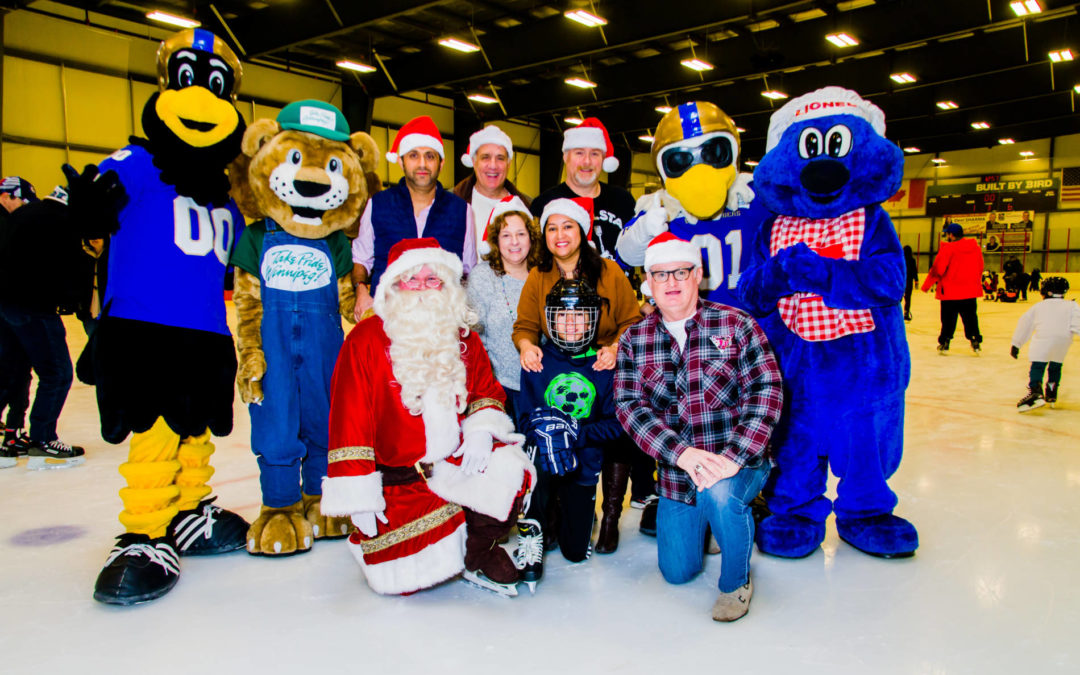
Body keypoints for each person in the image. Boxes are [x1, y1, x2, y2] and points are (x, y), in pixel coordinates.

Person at [322, 238, 535, 597]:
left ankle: (477, 552)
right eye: (412, 280)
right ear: (393, 286)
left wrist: (481, 430)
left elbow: (485, 390)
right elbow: (348, 421)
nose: (422, 288)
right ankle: (374, 542)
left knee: (513, 468)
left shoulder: (463, 337)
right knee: (402, 582)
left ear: (447, 286)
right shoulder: (364, 341)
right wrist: (359, 498)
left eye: (432, 279)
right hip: (399, 479)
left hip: (454, 462)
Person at [615, 233, 782, 622]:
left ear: (698, 275)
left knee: (722, 496)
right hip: (678, 473)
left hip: (737, 462)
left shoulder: (736, 324)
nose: (671, 282)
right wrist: (681, 455)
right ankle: (708, 527)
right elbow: (628, 406)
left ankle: (736, 582)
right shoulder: (634, 340)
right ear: (648, 282)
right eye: (660, 274)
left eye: (681, 272)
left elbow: (767, 388)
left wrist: (734, 457)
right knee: (677, 573)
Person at [513, 196, 643, 553]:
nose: (560, 234)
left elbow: (633, 321)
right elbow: (524, 326)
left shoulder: (608, 271)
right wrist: (527, 345)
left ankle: (611, 516)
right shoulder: (538, 275)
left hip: (604, 363)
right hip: (560, 362)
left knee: (612, 429)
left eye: (567, 226)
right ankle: (557, 509)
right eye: (552, 228)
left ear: (582, 231)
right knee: (550, 431)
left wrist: (615, 348)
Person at [515, 278, 624, 592]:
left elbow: (616, 425)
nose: (572, 323)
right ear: (550, 318)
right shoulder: (537, 360)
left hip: (583, 462)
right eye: (563, 315)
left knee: (575, 553)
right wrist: (548, 432)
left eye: (580, 315)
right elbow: (523, 422)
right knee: (535, 453)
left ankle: (564, 509)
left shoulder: (604, 364)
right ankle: (533, 526)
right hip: (545, 463)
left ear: (592, 319)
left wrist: (573, 432)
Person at [0, 181, 92, 469]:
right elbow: (70, 268)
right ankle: (43, 437)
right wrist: (74, 303)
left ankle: (13, 435)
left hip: (7, 306)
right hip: (35, 307)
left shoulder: (23, 215)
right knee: (57, 372)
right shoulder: (63, 222)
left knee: (13, 371)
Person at [351, 115, 476, 318]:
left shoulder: (462, 210)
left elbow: (469, 271)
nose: (422, 164)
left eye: (430, 156)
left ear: (441, 163)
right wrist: (361, 291)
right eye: (413, 155)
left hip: (441, 321)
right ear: (401, 162)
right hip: (387, 316)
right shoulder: (378, 204)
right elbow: (361, 258)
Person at [465, 195, 540, 422]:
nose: (514, 242)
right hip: (498, 388)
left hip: (539, 384)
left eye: (520, 234)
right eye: (506, 235)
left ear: (531, 237)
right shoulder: (483, 276)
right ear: (496, 240)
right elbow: (473, 336)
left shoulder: (543, 275)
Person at [530, 117, 635, 265]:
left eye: (594, 154)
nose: (587, 161)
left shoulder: (623, 200)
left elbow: (644, 257)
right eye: (579, 153)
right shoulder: (544, 204)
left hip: (618, 287)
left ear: (603, 159)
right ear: (566, 156)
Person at [0, 177, 37, 462]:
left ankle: (13, 429)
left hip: (15, 307)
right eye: (21, 199)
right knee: (8, 370)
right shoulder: (9, 225)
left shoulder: (18, 222)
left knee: (20, 369)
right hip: (10, 307)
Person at [453, 125, 532, 253]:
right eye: (486, 157)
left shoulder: (527, 205)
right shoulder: (453, 202)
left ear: (509, 163)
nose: (493, 165)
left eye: (500, 158)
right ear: (474, 161)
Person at [1011, 277, 1080, 412]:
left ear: (1046, 291)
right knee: (1055, 366)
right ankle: (1051, 393)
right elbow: (1077, 323)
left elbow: (1025, 325)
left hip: (1043, 340)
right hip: (1063, 341)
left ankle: (1036, 392)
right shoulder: (1072, 305)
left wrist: (1016, 344)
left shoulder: (1039, 306)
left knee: (1038, 365)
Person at [922, 222, 984, 353]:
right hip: (969, 291)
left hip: (950, 292)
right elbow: (980, 267)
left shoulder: (948, 249)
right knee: (971, 317)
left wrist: (926, 286)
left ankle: (945, 341)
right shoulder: (975, 248)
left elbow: (938, 270)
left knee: (948, 319)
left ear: (951, 235)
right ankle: (975, 340)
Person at [903, 245, 918, 321]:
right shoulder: (912, 260)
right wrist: (916, 280)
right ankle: (906, 313)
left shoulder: (901, 259)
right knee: (908, 298)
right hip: (909, 281)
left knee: (898, 299)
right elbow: (914, 271)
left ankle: (896, 313)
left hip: (901, 281)